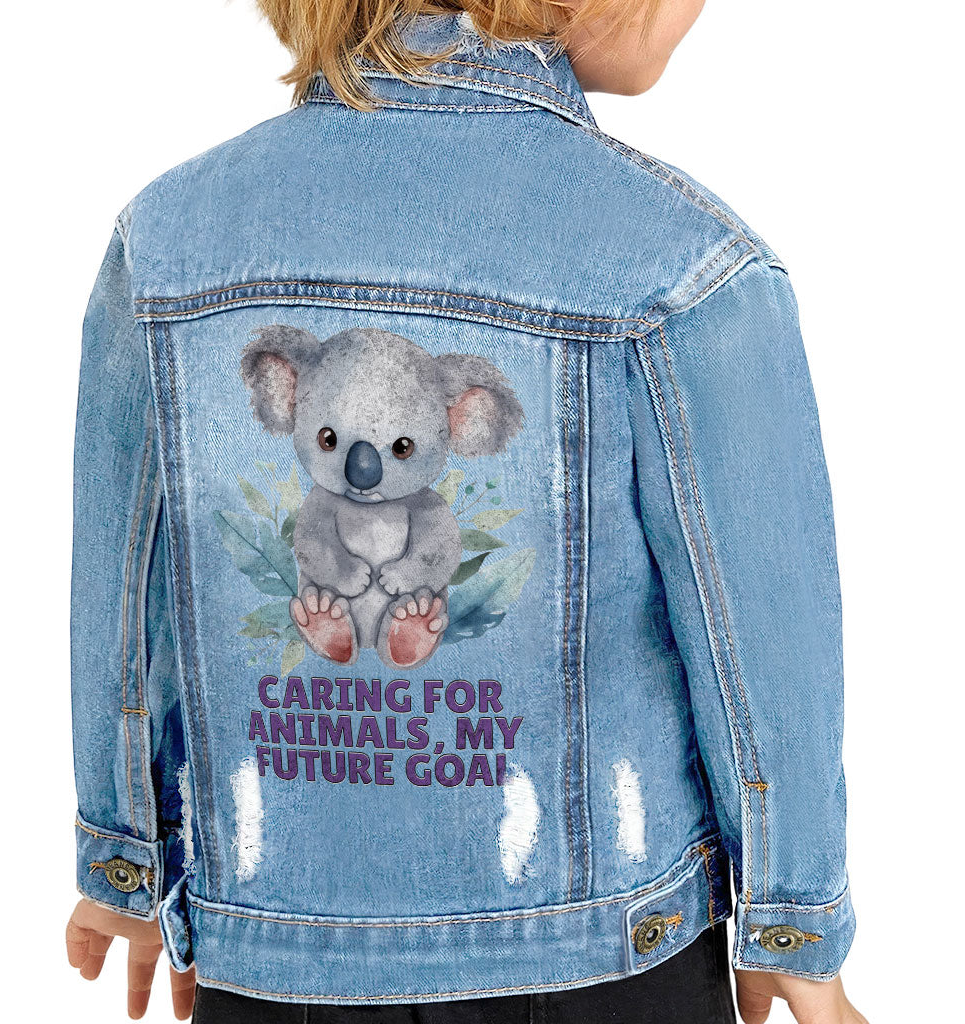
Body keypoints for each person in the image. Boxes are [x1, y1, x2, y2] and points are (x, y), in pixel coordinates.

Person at [65, 3, 867, 1023]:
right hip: (600, 959)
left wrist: (128, 863)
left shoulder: (166, 242)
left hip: (274, 952)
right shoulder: (685, 265)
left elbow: (125, 599)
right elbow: (759, 639)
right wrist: (791, 920)